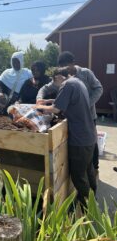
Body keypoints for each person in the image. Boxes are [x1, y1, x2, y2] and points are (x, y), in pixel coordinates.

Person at [34, 67, 97, 207]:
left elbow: (56, 109)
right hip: (89, 135)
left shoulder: (67, 85)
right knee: (88, 169)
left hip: (79, 139)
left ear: (58, 77)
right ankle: (94, 197)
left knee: (78, 176)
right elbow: (65, 100)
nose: (54, 83)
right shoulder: (77, 82)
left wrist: (38, 108)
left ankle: (87, 207)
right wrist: (47, 101)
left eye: (54, 79)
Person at [58, 51, 103, 174]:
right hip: (75, 117)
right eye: (61, 66)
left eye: (65, 65)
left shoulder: (85, 73)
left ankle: (95, 167)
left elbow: (99, 88)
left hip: (89, 115)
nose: (63, 68)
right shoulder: (63, 75)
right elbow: (50, 86)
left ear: (73, 63)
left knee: (91, 142)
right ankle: (86, 170)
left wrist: (87, 104)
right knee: (81, 145)